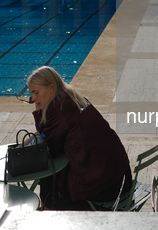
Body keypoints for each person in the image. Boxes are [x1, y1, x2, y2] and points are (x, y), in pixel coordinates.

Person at [27, 66, 132, 210]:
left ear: (51, 87)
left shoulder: (58, 108)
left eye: (36, 93)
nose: (33, 99)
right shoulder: (71, 96)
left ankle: (47, 212)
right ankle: (46, 210)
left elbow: (49, 149)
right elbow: (53, 135)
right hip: (122, 177)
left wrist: (39, 113)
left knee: (50, 188)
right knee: (53, 180)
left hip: (106, 189)